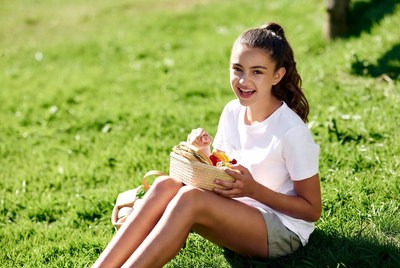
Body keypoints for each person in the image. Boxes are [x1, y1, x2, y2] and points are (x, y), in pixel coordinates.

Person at [92, 22, 321, 268]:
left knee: (190, 198)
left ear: (277, 75)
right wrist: (203, 156)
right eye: (237, 69)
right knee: (165, 185)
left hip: (282, 231)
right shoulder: (233, 111)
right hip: (237, 212)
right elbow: (225, 170)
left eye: (257, 72)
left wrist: (254, 191)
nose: (244, 81)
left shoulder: (291, 131)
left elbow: (311, 210)